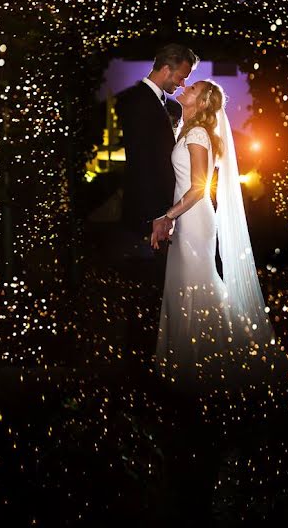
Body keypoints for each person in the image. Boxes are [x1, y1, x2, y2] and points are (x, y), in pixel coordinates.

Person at [152, 79, 276, 386]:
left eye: (193, 88)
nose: (186, 88)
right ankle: (192, 363)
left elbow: (198, 187)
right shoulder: (188, 129)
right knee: (188, 286)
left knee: (197, 287)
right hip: (189, 219)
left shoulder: (196, 133)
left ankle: (208, 365)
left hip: (195, 219)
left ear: (204, 102)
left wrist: (167, 217)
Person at [112, 44, 198, 365]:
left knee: (155, 287)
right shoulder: (137, 101)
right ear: (166, 68)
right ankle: (139, 357)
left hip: (161, 210)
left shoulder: (163, 104)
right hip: (148, 213)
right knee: (143, 287)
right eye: (181, 75)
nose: (182, 83)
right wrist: (156, 216)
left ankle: (153, 348)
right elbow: (144, 165)